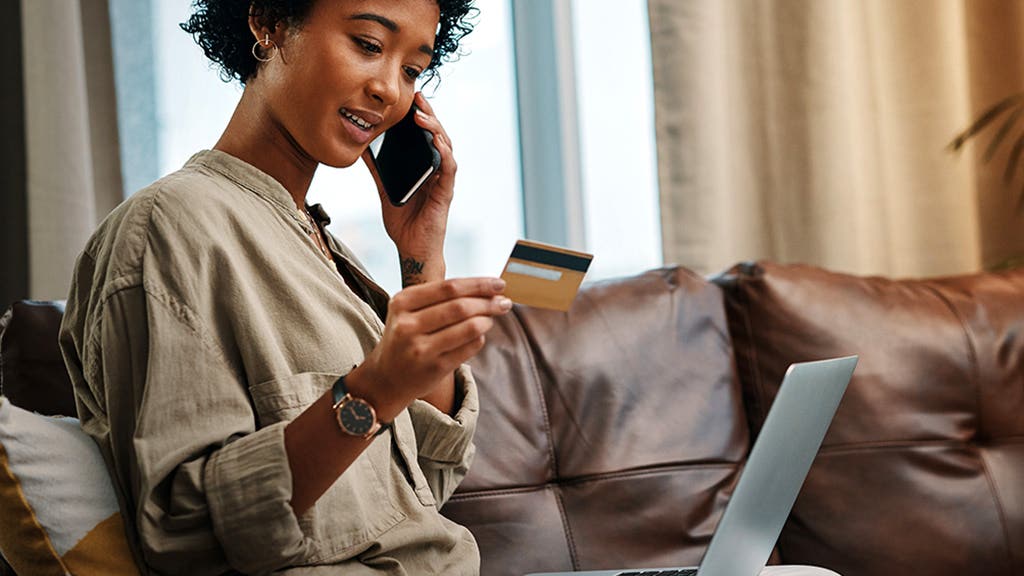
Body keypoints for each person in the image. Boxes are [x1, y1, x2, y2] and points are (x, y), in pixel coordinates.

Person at [59, 0, 508, 574]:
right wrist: (370, 391)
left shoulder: (322, 249)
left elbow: (425, 484)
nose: (390, 91)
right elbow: (184, 532)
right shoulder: (168, 227)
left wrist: (421, 257)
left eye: (413, 70)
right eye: (369, 45)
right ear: (268, 23)